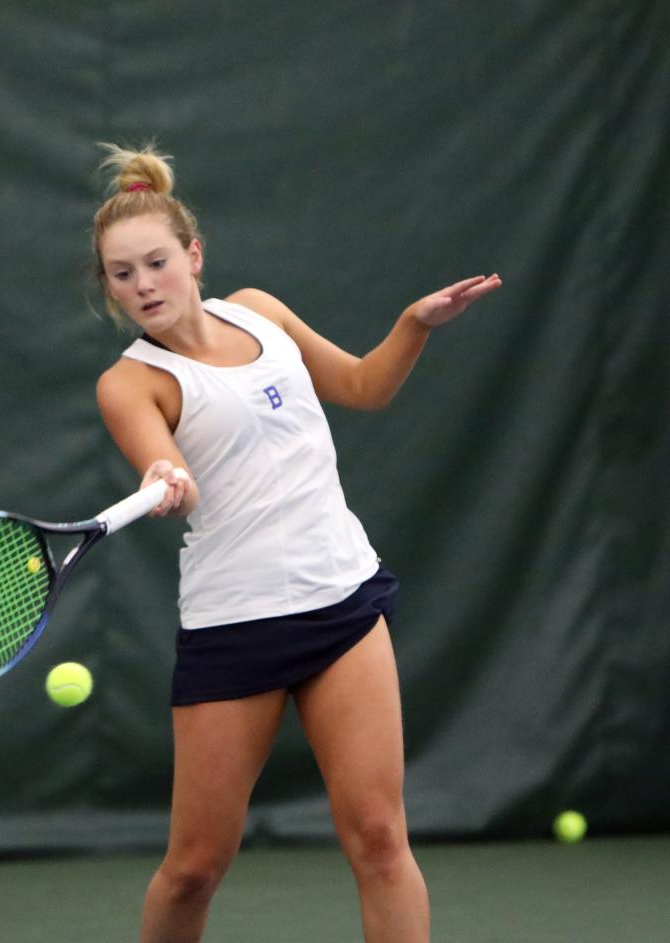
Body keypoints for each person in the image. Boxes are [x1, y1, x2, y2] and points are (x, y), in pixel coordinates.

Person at [91, 142, 501, 943]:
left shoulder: (262, 311)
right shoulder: (130, 382)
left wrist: (414, 324)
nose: (143, 285)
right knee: (194, 868)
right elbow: (167, 467)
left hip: (341, 603)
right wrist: (167, 481)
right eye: (121, 273)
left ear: (193, 255)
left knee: (381, 839)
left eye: (156, 262)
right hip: (232, 626)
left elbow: (363, 385)